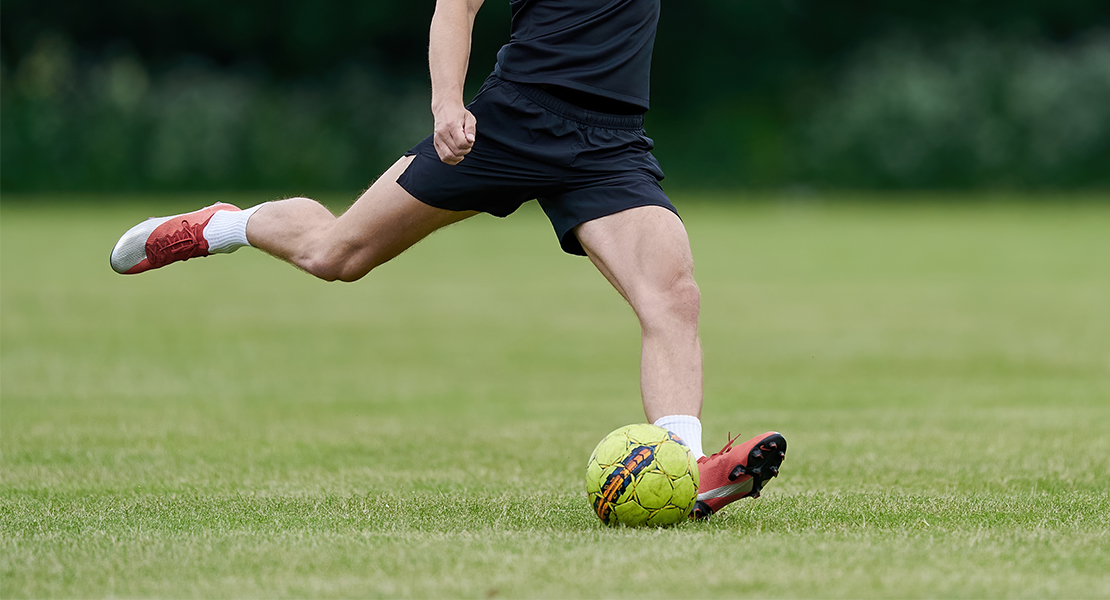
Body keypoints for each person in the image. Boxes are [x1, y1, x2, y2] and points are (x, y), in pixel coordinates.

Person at [109, 0, 786, 518]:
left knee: (673, 296)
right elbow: (456, 6)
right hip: (513, 122)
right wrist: (446, 104)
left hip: (609, 144)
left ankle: (687, 468)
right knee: (334, 254)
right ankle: (226, 225)